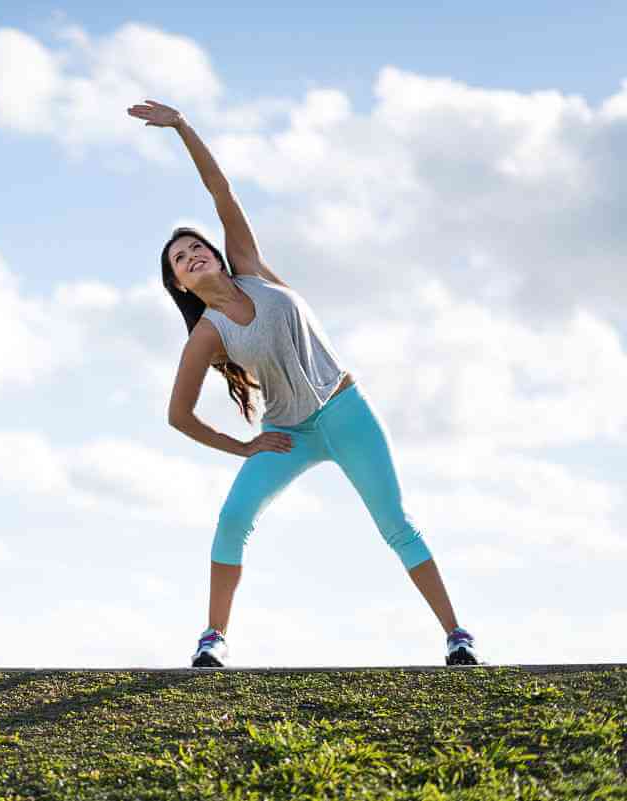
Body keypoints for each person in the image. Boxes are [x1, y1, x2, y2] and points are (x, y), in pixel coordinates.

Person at [127, 99, 481, 668]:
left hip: (345, 410)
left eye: (196, 248)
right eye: (179, 259)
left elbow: (221, 192)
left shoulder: (247, 264)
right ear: (179, 285)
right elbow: (179, 415)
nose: (192, 256)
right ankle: (212, 639)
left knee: (395, 523)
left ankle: (458, 636)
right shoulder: (206, 337)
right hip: (287, 434)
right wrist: (243, 447)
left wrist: (183, 128)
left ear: (217, 256)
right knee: (233, 519)